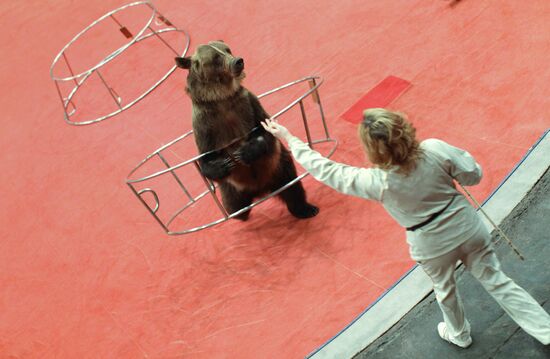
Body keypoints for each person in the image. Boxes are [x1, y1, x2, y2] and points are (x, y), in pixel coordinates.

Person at [261, 108, 550, 348]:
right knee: (497, 280)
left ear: (372, 148)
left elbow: (326, 170)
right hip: (466, 226)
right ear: (402, 128)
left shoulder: (377, 181)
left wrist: (289, 138)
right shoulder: (433, 149)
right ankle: (545, 330)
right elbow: (474, 175)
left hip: (429, 243)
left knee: (444, 289)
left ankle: (459, 335)